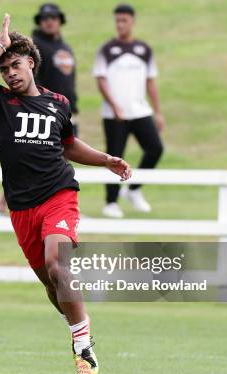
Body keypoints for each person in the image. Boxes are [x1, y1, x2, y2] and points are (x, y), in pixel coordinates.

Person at [0, 14, 132, 374]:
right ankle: (78, 321)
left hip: (59, 195)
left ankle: (83, 345)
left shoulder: (58, 103)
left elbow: (68, 145)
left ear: (32, 64)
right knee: (52, 286)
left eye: (15, 65)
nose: (9, 73)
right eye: (4, 68)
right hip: (21, 208)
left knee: (59, 265)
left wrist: (105, 160)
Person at [93, 3, 165, 218]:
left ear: (132, 21)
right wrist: (115, 106)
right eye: (117, 21)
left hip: (140, 111)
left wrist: (158, 112)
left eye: (124, 20)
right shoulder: (106, 50)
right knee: (115, 157)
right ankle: (111, 201)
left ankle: (133, 189)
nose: (120, 24)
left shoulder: (144, 50)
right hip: (114, 115)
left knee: (155, 149)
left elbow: (151, 82)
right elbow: (101, 79)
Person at [31, 3, 79, 135]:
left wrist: (73, 105)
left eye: (53, 17)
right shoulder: (34, 46)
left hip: (68, 111)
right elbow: (32, 81)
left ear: (60, 20)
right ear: (39, 22)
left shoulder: (65, 46)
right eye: (45, 18)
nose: (49, 21)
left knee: (73, 154)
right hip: (46, 112)